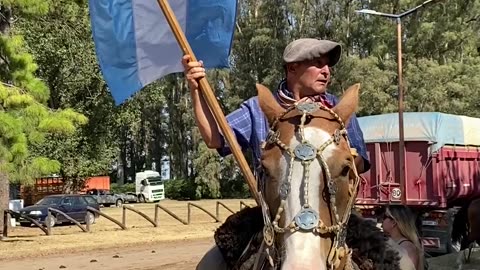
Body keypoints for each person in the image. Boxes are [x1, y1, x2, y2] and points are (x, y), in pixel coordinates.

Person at [182, 38, 371, 269]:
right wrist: (196, 91)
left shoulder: (338, 111)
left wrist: (339, 159)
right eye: (318, 63)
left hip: (334, 220)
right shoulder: (255, 109)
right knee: (212, 263)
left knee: (387, 259)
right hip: (270, 219)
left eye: (328, 66)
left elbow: (360, 163)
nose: (326, 71)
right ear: (292, 68)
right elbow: (215, 139)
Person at [382, 205, 426, 270]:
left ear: (394, 222)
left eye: (384, 217)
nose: (382, 220)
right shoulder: (395, 243)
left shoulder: (407, 248)